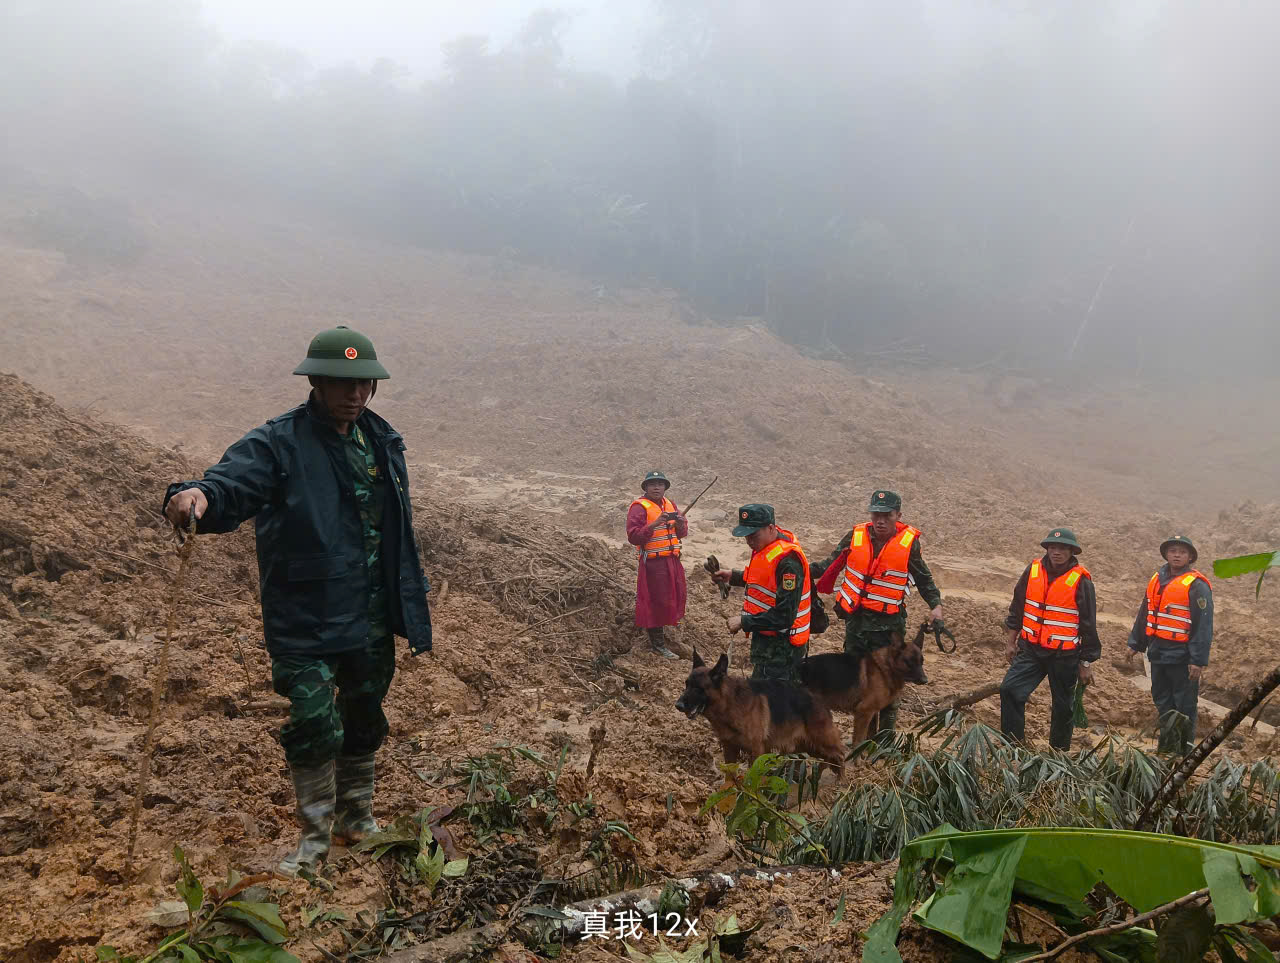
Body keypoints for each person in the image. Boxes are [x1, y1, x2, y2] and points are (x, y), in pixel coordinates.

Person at [162, 325, 433, 876]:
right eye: (341, 382)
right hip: (306, 614)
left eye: (364, 384)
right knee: (313, 719)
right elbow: (229, 485)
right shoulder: (279, 442)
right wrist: (193, 497)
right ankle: (313, 840)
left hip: (372, 612)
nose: (355, 394)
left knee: (364, 715)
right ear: (315, 380)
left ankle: (356, 821)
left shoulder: (383, 439)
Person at [810, 490, 941, 737]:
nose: (880, 520)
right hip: (857, 626)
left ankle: (885, 743)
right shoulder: (855, 536)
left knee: (891, 687)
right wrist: (800, 571)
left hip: (889, 629)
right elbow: (827, 565)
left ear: (898, 515)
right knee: (856, 687)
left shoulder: (908, 543)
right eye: (876, 514)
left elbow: (923, 577)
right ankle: (863, 741)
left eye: (886, 515)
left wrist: (936, 605)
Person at [999, 528, 1099, 751]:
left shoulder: (1081, 580)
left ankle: (1058, 754)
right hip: (1032, 649)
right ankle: (1012, 747)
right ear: (1047, 549)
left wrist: (1085, 662)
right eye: (1053, 547)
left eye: (1062, 548)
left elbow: (1088, 624)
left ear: (1071, 551)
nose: (1056, 552)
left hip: (1064, 655)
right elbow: (1017, 608)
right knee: (1009, 690)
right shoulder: (1033, 570)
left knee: (1063, 707)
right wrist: (1010, 642)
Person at [1126, 535, 1214, 754]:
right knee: (1162, 702)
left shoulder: (1197, 585)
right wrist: (1135, 643)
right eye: (1173, 550)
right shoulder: (1157, 579)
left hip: (1182, 657)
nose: (1176, 554)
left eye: (1182, 552)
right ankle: (1166, 751)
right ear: (1166, 554)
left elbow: (1203, 625)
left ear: (1190, 557)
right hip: (1157, 653)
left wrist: (1197, 660)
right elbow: (1145, 613)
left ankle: (1184, 755)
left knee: (1184, 707)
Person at [711, 504, 811, 684]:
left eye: (753, 535)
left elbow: (784, 616)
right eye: (746, 536)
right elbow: (764, 581)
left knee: (774, 703)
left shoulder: (788, 562)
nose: (749, 541)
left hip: (782, 651)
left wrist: (744, 622)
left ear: (771, 528)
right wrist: (733, 577)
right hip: (767, 646)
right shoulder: (765, 548)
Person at [626, 471, 688, 659]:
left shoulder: (671, 505)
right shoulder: (638, 507)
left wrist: (679, 523)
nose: (656, 487)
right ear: (645, 487)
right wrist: (654, 524)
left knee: (674, 595)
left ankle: (665, 632)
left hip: (671, 560)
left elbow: (682, 533)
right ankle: (658, 645)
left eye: (660, 484)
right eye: (652, 484)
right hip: (653, 564)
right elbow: (633, 536)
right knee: (655, 601)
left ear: (665, 487)